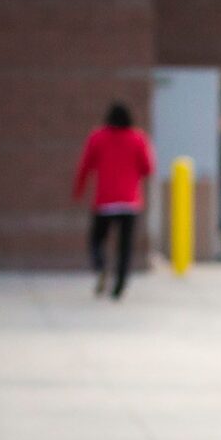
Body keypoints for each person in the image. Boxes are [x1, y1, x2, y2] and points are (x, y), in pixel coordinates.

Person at [73, 102, 154, 299]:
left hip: (105, 200)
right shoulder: (138, 138)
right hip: (129, 201)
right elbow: (148, 168)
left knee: (97, 239)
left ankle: (101, 265)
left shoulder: (98, 137)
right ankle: (120, 285)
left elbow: (85, 166)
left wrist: (78, 191)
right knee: (124, 246)